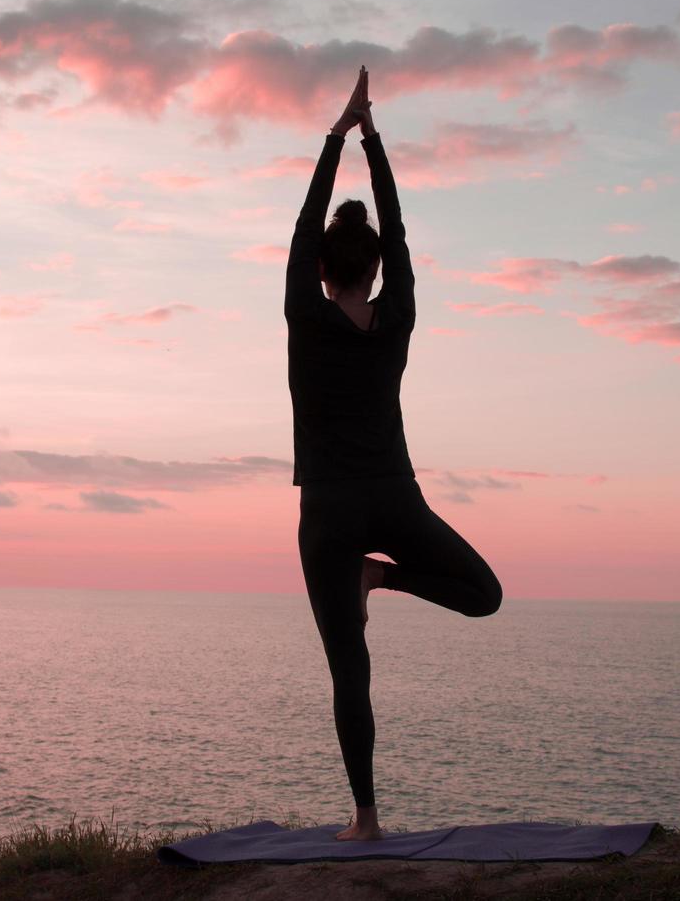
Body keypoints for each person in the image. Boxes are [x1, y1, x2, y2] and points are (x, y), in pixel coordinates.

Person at [285, 65, 504, 842]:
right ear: (376, 270)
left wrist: (335, 136)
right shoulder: (398, 316)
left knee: (351, 670)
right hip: (393, 498)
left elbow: (309, 226)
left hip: (330, 514)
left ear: (318, 269)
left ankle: (366, 821)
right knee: (484, 594)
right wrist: (373, 139)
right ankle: (391, 578)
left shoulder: (305, 321)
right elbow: (398, 233)